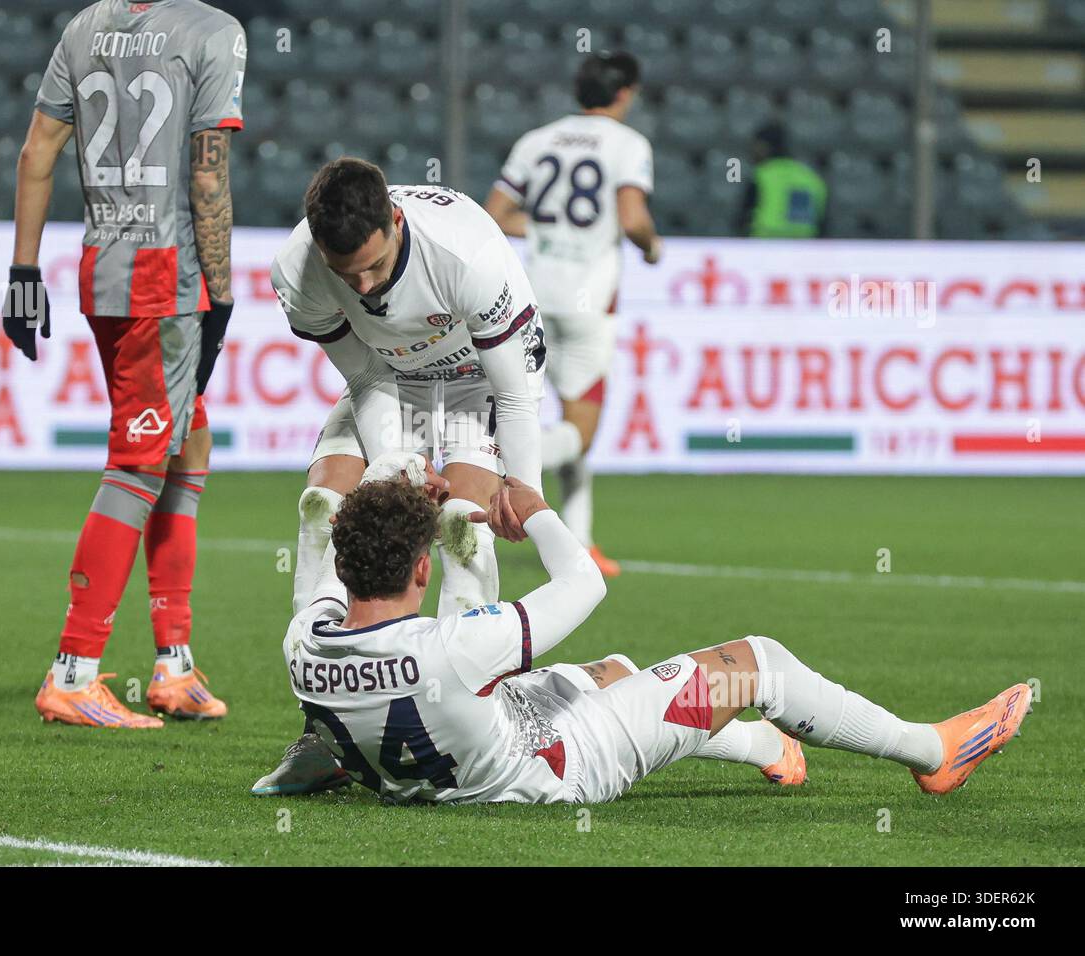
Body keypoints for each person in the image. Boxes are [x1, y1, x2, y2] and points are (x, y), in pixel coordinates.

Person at [275, 452, 1030, 804]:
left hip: (466, 745)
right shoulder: (456, 646)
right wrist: (530, 504)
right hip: (552, 769)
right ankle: (930, 751)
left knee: (613, 670)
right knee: (753, 662)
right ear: (420, 572)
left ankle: (768, 745)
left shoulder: (306, 645)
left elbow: (317, 562)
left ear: (345, 568)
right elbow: (584, 581)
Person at [253, 159, 545, 794]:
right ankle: (324, 732)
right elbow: (364, 379)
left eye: (376, 267)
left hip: (478, 380)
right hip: (386, 379)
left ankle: (478, 716)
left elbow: (516, 396)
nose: (363, 286)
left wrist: (523, 489)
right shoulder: (299, 269)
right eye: (345, 273)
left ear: (396, 220)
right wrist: (398, 468)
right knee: (320, 506)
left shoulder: (465, 255)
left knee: (462, 522)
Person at [3, 0, 245, 727]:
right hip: (164, 279)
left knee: (187, 437)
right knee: (141, 461)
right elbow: (208, 176)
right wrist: (223, 292)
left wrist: (22, 273)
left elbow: (37, 149)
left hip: (101, 266)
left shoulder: (83, 26)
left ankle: (172, 664)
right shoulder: (213, 29)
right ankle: (73, 670)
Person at [485, 51, 661, 577]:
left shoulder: (537, 140)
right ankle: (499, 466)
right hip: (589, 300)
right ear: (625, 92)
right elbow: (632, 219)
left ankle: (579, 542)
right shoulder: (628, 145)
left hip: (533, 296)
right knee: (581, 431)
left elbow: (495, 214)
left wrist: (544, 232)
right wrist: (653, 247)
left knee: (554, 411)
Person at [738, 121, 828, 238]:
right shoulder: (812, 178)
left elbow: (742, 219)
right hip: (804, 248)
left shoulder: (761, 175)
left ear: (765, 147)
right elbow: (822, 223)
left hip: (766, 245)